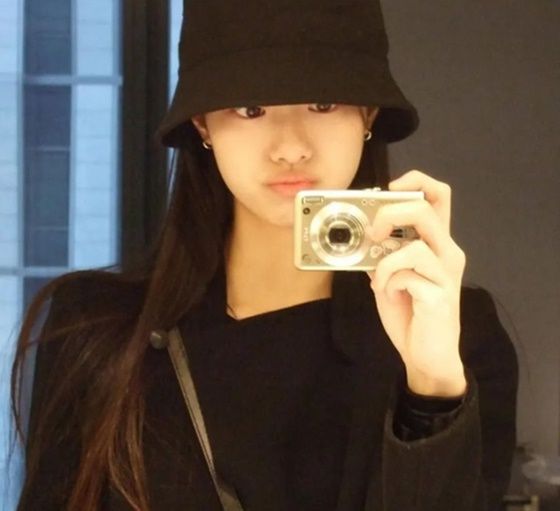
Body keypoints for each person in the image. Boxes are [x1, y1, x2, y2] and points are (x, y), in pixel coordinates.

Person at [11, 0, 518, 510]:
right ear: (203, 125)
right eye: (251, 109)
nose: (290, 147)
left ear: (367, 114)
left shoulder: (454, 335)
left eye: (323, 104)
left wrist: (432, 395)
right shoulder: (96, 333)